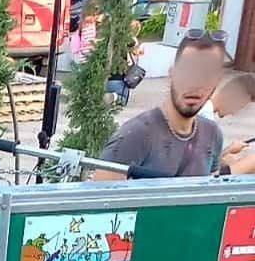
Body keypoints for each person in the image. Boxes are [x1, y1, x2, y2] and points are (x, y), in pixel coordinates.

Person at [97, 31, 228, 180]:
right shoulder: (136, 134)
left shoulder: (212, 134)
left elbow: (207, 194)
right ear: (172, 74)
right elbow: (99, 199)